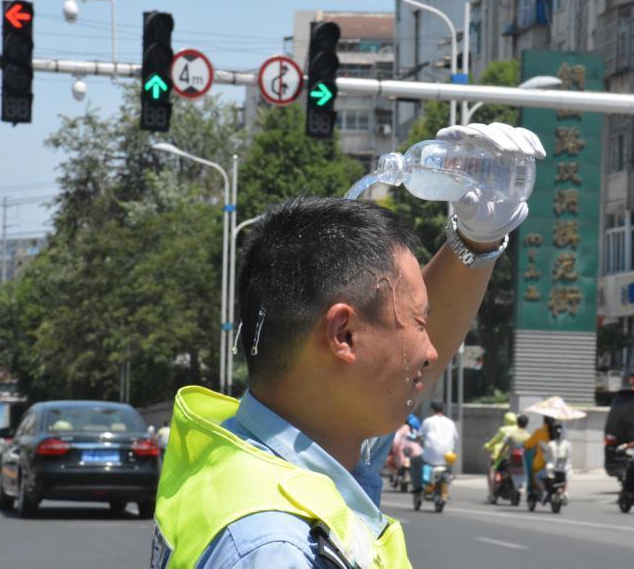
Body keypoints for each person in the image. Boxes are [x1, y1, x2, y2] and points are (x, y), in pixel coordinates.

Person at [151, 123, 546, 569]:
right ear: (343, 335)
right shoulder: (280, 548)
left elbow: (403, 368)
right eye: (419, 323)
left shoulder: (252, 447)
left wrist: (477, 240)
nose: (431, 351)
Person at [411, 402, 459, 494]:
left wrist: (418, 440)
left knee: (414, 462)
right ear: (443, 410)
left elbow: (419, 436)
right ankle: (449, 476)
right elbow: (456, 438)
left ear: (432, 410)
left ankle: (417, 487)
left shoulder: (428, 421)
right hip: (447, 457)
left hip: (430, 456)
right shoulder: (450, 422)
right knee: (448, 467)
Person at [485, 413, 530, 500]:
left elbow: (501, 444)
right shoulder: (528, 436)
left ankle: (491, 494)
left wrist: (498, 455)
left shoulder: (508, 433)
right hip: (522, 460)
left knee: (492, 470)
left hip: (508, 458)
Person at [535, 423, 571, 493]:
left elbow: (546, 458)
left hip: (552, 470)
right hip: (564, 470)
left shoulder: (551, 444)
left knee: (537, 476)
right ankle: (565, 491)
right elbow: (569, 458)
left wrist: (543, 451)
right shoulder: (567, 444)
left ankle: (544, 492)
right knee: (566, 476)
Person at [523, 415, 555, 492]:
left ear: (544, 421)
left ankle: (541, 491)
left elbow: (527, 444)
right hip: (556, 463)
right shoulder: (557, 432)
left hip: (541, 464)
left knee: (534, 471)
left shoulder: (539, 431)